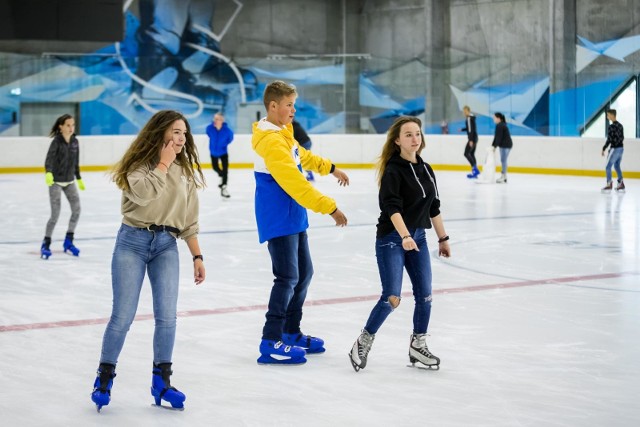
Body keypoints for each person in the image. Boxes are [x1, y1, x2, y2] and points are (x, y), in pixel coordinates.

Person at [90, 110, 206, 412]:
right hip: (132, 242)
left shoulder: (185, 173)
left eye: (184, 133)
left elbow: (188, 219)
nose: (181, 138)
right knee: (123, 316)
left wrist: (197, 255)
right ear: (160, 134)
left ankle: (162, 382)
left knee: (167, 317)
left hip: (167, 245)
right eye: (175, 132)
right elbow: (142, 194)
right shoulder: (138, 167)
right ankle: (104, 377)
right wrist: (164, 164)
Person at [252, 80, 349, 365]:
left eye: (294, 103)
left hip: (293, 216)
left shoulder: (283, 133)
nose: (293, 109)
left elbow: (301, 156)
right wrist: (330, 207)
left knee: (303, 274)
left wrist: (330, 168)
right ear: (273, 106)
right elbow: (295, 183)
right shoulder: (270, 141)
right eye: (289, 104)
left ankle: (290, 332)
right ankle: (271, 339)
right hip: (278, 216)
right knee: (287, 278)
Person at [349, 116, 451, 372]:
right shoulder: (393, 170)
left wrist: (443, 238)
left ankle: (418, 345)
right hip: (392, 239)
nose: (414, 138)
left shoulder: (426, 169)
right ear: (397, 141)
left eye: (417, 133)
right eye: (408, 134)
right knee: (392, 297)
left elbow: (434, 207)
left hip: (418, 237)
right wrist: (404, 236)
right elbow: (391, 207)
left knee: (425, 295)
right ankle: (363, 341)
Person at [40, 114, 85, 259]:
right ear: (61, 126)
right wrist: (48, 173)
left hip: (69, 181)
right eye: (68, 125)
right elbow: (49, 159)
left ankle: (68, 241)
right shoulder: (56, 142)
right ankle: (46, 243)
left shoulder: (75, 141)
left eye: (73, 125)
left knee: (76, 210)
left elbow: (76, 162)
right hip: (55, 182)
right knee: (55, 214)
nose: (71, 128)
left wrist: (78, 178)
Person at [206, 112, 234, 197]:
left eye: (218, 119)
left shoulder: (227, 131)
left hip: (223, 152)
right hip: (213, 152)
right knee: (215, 167)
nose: (216, 120)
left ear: (222, 120)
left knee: (225, 170)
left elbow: (230, 139)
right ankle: (222, 175)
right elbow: (208, 134)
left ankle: (224, 186)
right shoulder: (209, 128)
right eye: (215, 118)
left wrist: (223, 145)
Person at [601, 109, 625, 193]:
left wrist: (604, 148)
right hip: (621, 148)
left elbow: (610, 139)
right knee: (617, 165)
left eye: (608, 115)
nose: (607, 117)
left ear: (612, 115)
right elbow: (622, 138)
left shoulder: (611, 127)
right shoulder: (621, 126)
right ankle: (621, 183)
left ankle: (609, 184)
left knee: (608, 166)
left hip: (614, 149)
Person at [491, 112, 513, 184]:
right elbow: (496, 137)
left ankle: (503, 176)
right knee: (503, 160)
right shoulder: (500, 125)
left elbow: (498, 138)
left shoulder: (500, 125)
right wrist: (493, 145)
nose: (493, 119)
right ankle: (504, 176)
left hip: (505, 145)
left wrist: (494, 147)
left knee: (503, 160)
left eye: (494, 118)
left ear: (498, 118)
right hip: (506, 145)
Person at [460, 106, 479, 179]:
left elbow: (470, 130)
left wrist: (471, 140)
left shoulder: (468, 118)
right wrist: (462, 129)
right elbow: (470, 128)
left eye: (465, 111)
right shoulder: (472, 118)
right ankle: (475, 171)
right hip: (475, 138)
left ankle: (475, 170)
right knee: (471, 154)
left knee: (466, 153)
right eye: (463, 111)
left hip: (472, 139)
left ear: (468, 111)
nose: (464, 113)